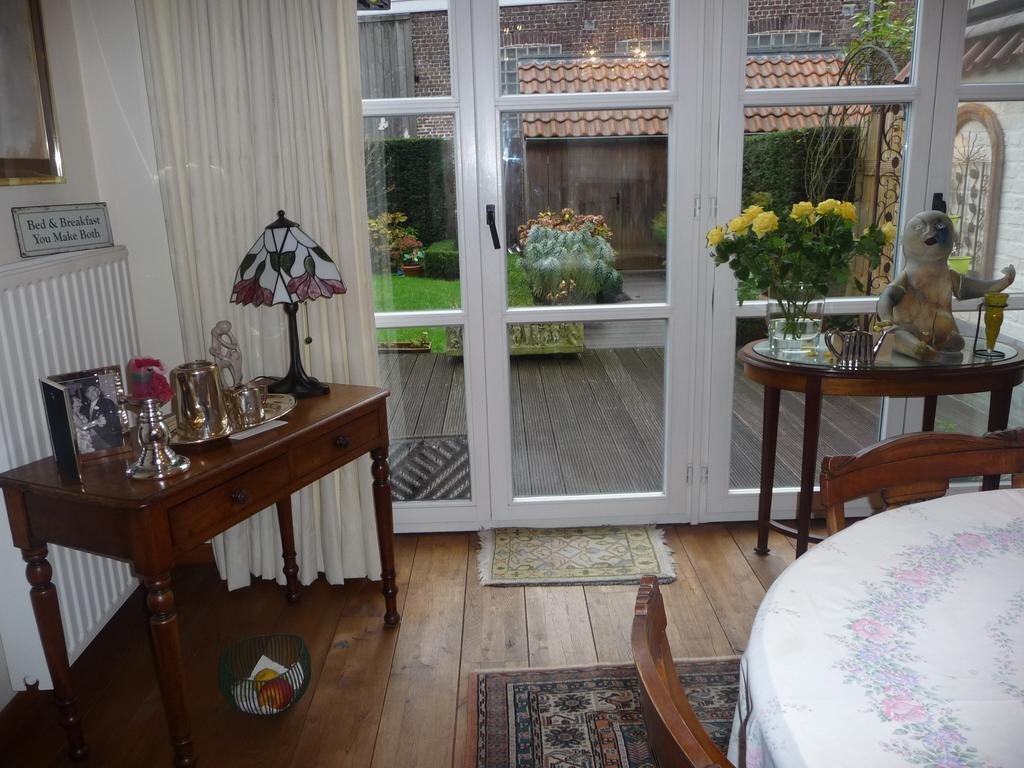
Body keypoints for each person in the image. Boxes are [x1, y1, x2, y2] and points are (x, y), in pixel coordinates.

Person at [79, 383, 122, 450]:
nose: (91, 393)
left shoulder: (107, 402)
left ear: (98, 392)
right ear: (86, 395)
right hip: (90, 441)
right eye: (88, 391)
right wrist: (96, 422)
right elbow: (82, 424)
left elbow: (113, 419)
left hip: (106, 438)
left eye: (94, 390)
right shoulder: (83, 408)